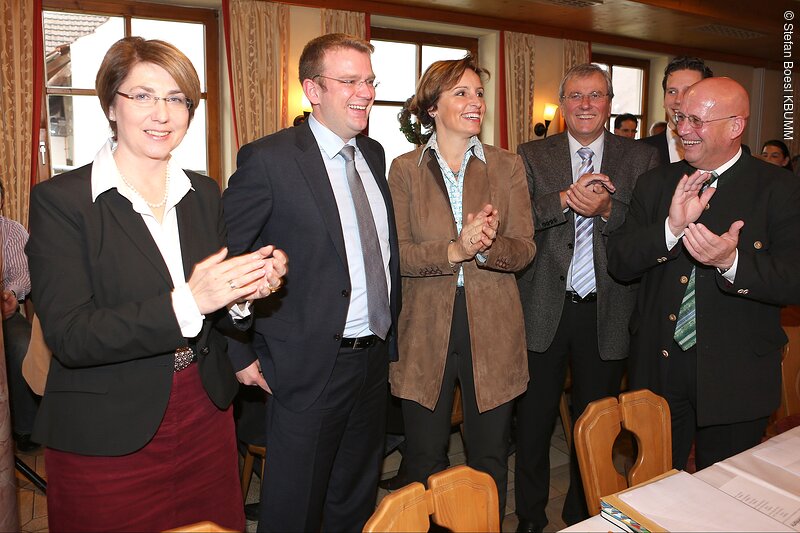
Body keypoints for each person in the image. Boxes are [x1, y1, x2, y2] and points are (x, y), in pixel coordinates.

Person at [25, 37, 286, 532]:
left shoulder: (204, 192)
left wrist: (245, 293)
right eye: (142, 95)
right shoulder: (62, 201)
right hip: (106, 427)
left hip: (204, 411)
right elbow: (70, 336)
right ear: (109, 105)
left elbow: (219, 312)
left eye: (176, 98)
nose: (161, 113)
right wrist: (191, 300)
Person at [223, 33, 400, 532]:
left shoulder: (375, 154)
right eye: (349, 81)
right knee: (294, 509)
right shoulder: (269, 160)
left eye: (368, 80)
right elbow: (227, 259)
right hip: (305, 365)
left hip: (371, 361)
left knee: (354, 498)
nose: (364, 91)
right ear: (312, 90)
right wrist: (239, 352)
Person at [607, 77, 800, 472]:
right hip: (659, 367)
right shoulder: (656, 182)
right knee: (656, 486)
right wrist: (670, 230)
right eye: (680, 118)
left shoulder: (778, 188)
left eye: (697, 120)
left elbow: (794, 279)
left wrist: (732, 263)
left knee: (724, 495)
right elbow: (620, 263)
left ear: (735, 126)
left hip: (736, 372)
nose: (683, 130)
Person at [387, 55, 535, 521]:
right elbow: (397, 256)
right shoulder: (405, 169)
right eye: (461, 93)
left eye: (479, 92)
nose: (476, 103)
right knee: (423, 458)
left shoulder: (507, 166)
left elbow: (526, 247)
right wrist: (454, 250)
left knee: (489, 458)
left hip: (492, 326)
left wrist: (486, 248)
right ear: (431, 107)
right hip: (424, 329)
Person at [514, 63, 660, 531]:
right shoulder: (532, 154)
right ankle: (531, 518)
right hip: (542, 310)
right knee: (533, 425)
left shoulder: (638, 159)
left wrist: (607, 209)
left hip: (608, 310)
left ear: (609, 103)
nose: (585, 105)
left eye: (595, 96)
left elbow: (648, 229)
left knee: (593, 425)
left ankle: (582, 514)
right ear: (563, 105)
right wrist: (564, 199)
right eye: (575, 96)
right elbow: (520, 219)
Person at [0, 181, 36, 452]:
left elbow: (23, 273)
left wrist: (11, 294)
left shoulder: (11, 231)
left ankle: (25, 428)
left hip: (5, 317)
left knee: (23, 348)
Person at [641, 56, 713, 164]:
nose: (678, 100)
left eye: (688, 91)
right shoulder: (639, 152)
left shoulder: (724, 152)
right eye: (672, 91)